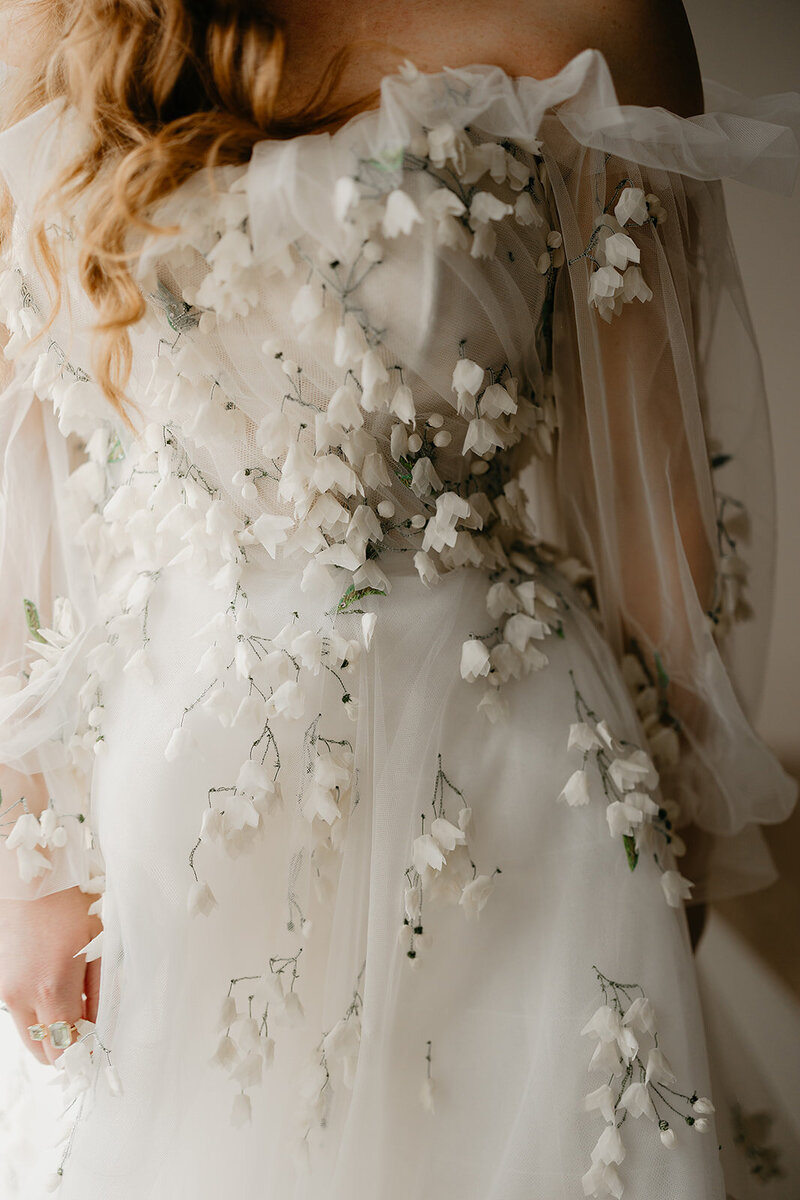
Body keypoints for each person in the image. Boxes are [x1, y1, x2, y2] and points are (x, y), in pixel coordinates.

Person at [0, 0, 797, 1196]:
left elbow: (655, 493)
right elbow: (20, 446)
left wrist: (664, 822)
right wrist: (28, 853)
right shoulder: (52, 18)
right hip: (171, 781)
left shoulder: (589, 14)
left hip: (508, 766)